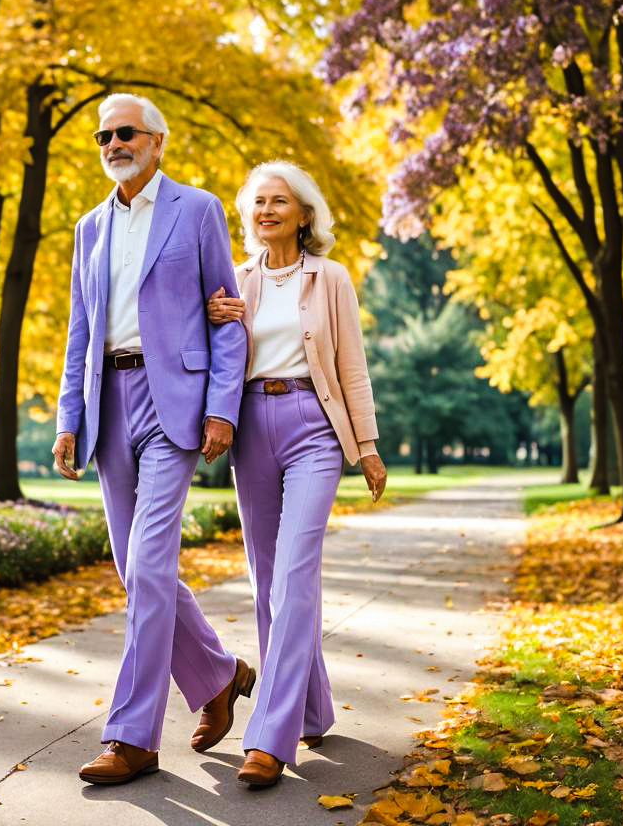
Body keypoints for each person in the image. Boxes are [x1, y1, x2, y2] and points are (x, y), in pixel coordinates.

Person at [53, 93, 255, 786]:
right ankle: (220, 675)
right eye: (104, 134)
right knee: (133, 568)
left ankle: (132, 737)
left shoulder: (196, 210)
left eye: (126, 132)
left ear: (158, 142)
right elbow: (81, 328)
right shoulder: (88, 228)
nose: (113, 142)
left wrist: (222, 408)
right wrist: (69, 418)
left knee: (147, 566)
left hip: (175, 405)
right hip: (109, 402)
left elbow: (227, 316)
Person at [206, 160, 387, 788]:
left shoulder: (330, 278)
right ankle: (311, 708)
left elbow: (353, 367)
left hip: (313, 422)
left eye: (279, 201)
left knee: (295, 569)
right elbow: (217, 358)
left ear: (305, 214)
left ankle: (271, 737)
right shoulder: (234, 280)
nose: (266, 211)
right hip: (252, 426)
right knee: (266, 582)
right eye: (258, 202)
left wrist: (365, 445)